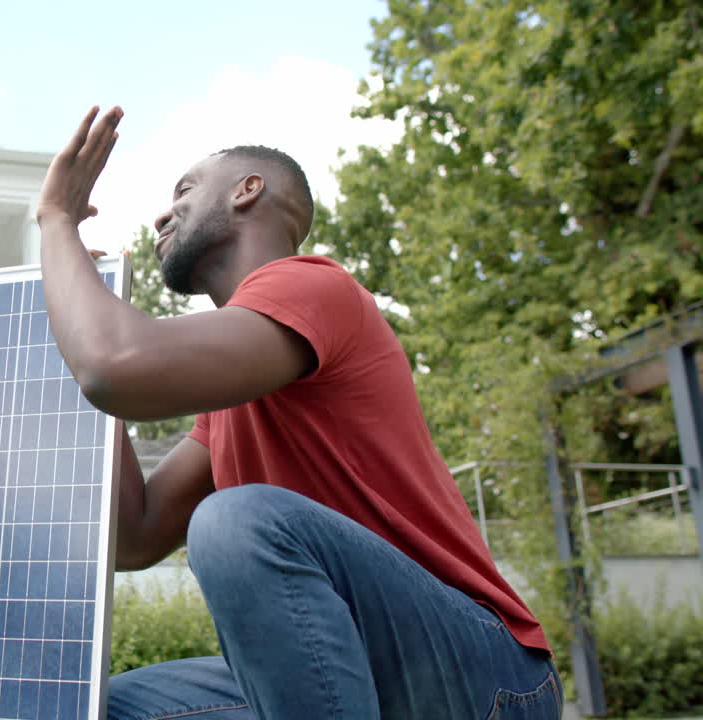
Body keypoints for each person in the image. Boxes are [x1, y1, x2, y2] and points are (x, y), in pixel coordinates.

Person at [35, 107, 561, 720]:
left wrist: (57, 224)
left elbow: (115, 367)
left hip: (487, 675)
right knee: (110, 708)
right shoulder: (230, 402)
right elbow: (136, 535)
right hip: (360, 673)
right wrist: (75, 319)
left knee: (236, 520)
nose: (161, 214)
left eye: (184, 191)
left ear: (246, 190)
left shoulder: (314, 287)